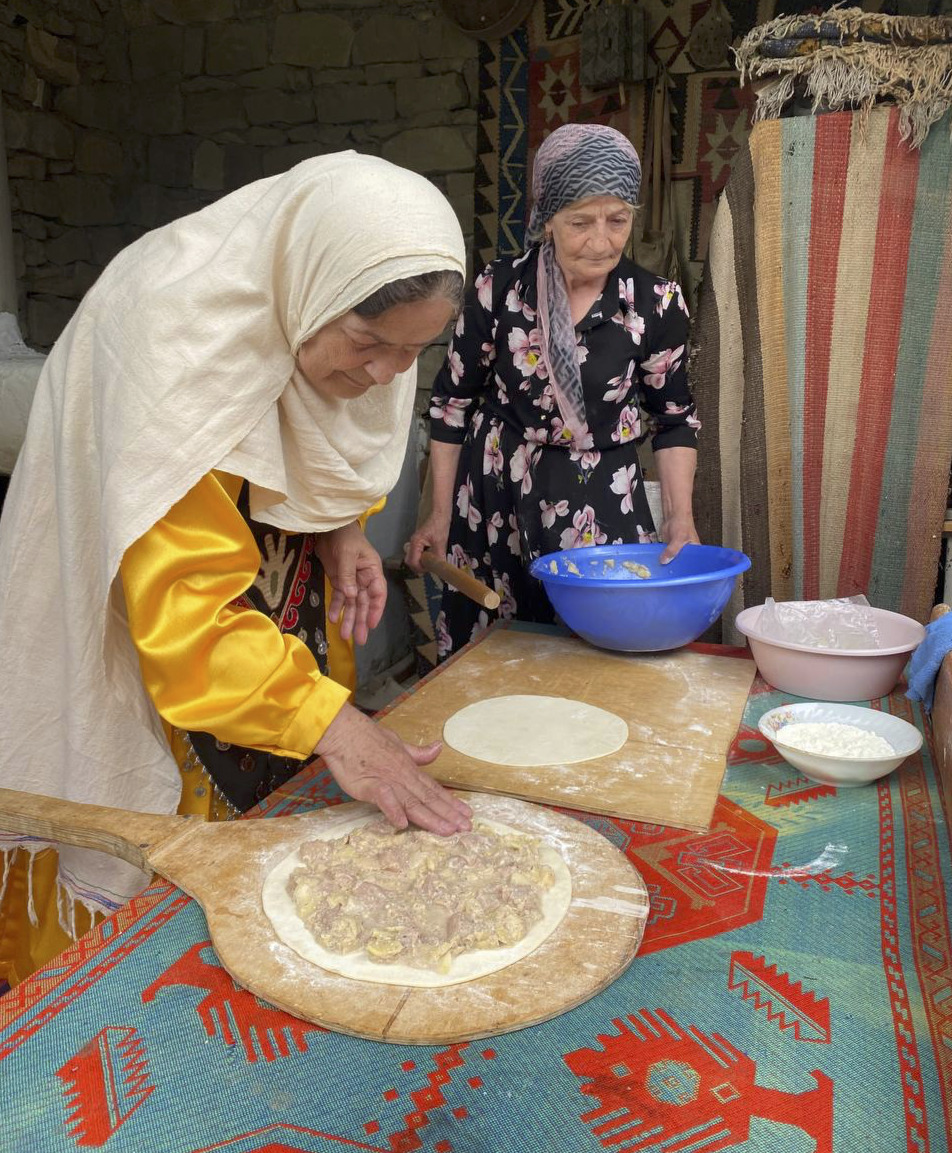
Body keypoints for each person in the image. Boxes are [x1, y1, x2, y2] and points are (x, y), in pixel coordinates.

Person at [0, 152, 472, 985]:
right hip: (155, 633)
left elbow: (302, 454)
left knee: (284, 881)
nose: (384, 377)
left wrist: (339, 529)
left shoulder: (350, 328)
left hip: (264, 617)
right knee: (163, 912)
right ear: (313, 293)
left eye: (413, 354)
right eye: (369, 345)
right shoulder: (169, 335)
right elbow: (184, 614)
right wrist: (338, 725)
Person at [406, 123, 701, 658]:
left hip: (602, 499)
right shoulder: (499, 291)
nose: (602, 240)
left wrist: (681, 516)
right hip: (495, 498)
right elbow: (451, 405)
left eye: (618, 220)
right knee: (492, 657)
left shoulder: (655, 304)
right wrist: (440, 514)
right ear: (546, 220)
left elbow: (674, 418)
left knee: (599, 651)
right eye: (580, 222)